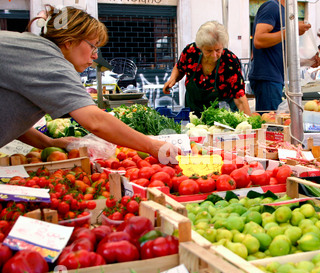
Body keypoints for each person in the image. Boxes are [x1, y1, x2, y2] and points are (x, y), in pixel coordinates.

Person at [0, 5, 179, 162]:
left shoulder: (34, 50)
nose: (95, 56)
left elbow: (11, 117)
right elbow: (95, 121)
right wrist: (152, 145)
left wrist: (48, 143)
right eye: (93, 46)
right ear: (69, 42)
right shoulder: (48, 60)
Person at [163, 21, 251, 118]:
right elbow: (180, 67)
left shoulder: (230, 61)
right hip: (193, 114)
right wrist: (173, 79)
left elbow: (240, 98)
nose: (214, 55)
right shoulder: (191, 51)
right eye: (209, 50)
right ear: (200, 47)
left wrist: (250, 125)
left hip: (222, 117)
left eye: (218, 50)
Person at [248, 0, 312, 111]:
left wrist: (310, 62)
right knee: (271, 125)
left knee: (274, 123)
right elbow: (259, 40)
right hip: (267, 78)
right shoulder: (272, 6)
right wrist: (292, 30)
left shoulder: (284, 12)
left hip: (274, 79)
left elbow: (282, 56)